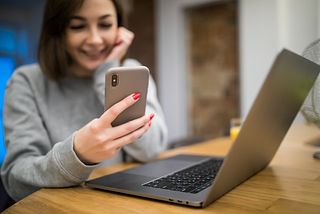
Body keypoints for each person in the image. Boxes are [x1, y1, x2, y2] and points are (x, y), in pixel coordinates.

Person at [0, 0, 168, 202]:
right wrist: (78, 155)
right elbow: (16, 181)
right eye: (78, 26)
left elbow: (152, 150)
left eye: (105, 25)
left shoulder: (130, 71)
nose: (95, 39)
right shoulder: (26, 82)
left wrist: (104, 74)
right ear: (59, 29)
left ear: (119, 28)